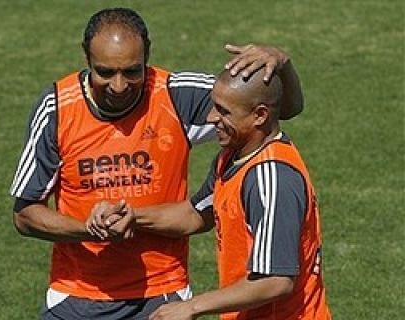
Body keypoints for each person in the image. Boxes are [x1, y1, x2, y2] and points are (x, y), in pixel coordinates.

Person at [9, 7, 304, 320]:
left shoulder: (177, 95)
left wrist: (281, 63)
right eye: (105, 72)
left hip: (162, 294)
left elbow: (273, 107)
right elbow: (25, 213)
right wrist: (89, 230)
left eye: (132, 71)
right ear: (86, 59)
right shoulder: (56, 108)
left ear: (147, 58)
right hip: (76, 295)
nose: (119, 86)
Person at [89, 68, 331, 319]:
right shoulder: (233, 158)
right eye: (215, 106)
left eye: (224, 111)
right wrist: (131, 216)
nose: (212, 117)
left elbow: (276, 280)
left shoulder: (271, 178)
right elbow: (195, 213)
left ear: (260, 115)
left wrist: (190, 306)